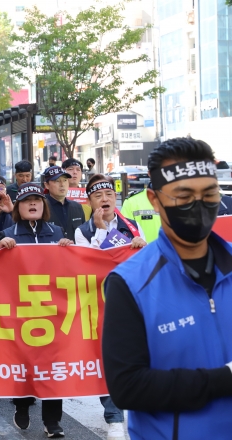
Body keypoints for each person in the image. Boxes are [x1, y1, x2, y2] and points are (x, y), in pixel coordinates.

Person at [103, 137, 232, 440]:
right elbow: (127, 387)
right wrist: (224, 379)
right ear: (154, 199)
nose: (199, 205)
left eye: (209, 193)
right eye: (183, 195)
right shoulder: (129, 283)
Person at [0, 183, 70, 438]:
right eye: (27, 201)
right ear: (18, 207)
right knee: (24, 363)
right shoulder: (7, 232)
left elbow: (71, 269)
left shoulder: (56, 231)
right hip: (20, 312)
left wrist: (69, 249)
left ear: (44, 205)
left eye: (37, 200)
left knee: (53, 365)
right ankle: (22, 405)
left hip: (52, 311)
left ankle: (52, 421)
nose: (33, 204)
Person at [74, 175, 144, 440]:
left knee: (135, 354)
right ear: (90, 201)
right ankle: (113, 417)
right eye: (98, 197)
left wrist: (139, 245)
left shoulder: (133, 226)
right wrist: (102, 229)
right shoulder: (84, 231)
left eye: (109, 196)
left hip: (131, 300)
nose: (105, 200)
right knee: (106, 357)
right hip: (98, 302)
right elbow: (88, 264)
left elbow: (145, 259)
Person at [43, 166, 86, 242]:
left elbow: (84, 234)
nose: (62, 184)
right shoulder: (41, 207)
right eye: (57, 181)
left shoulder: (77, 207)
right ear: (47, 185)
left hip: (74, 252)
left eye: (65, 180)